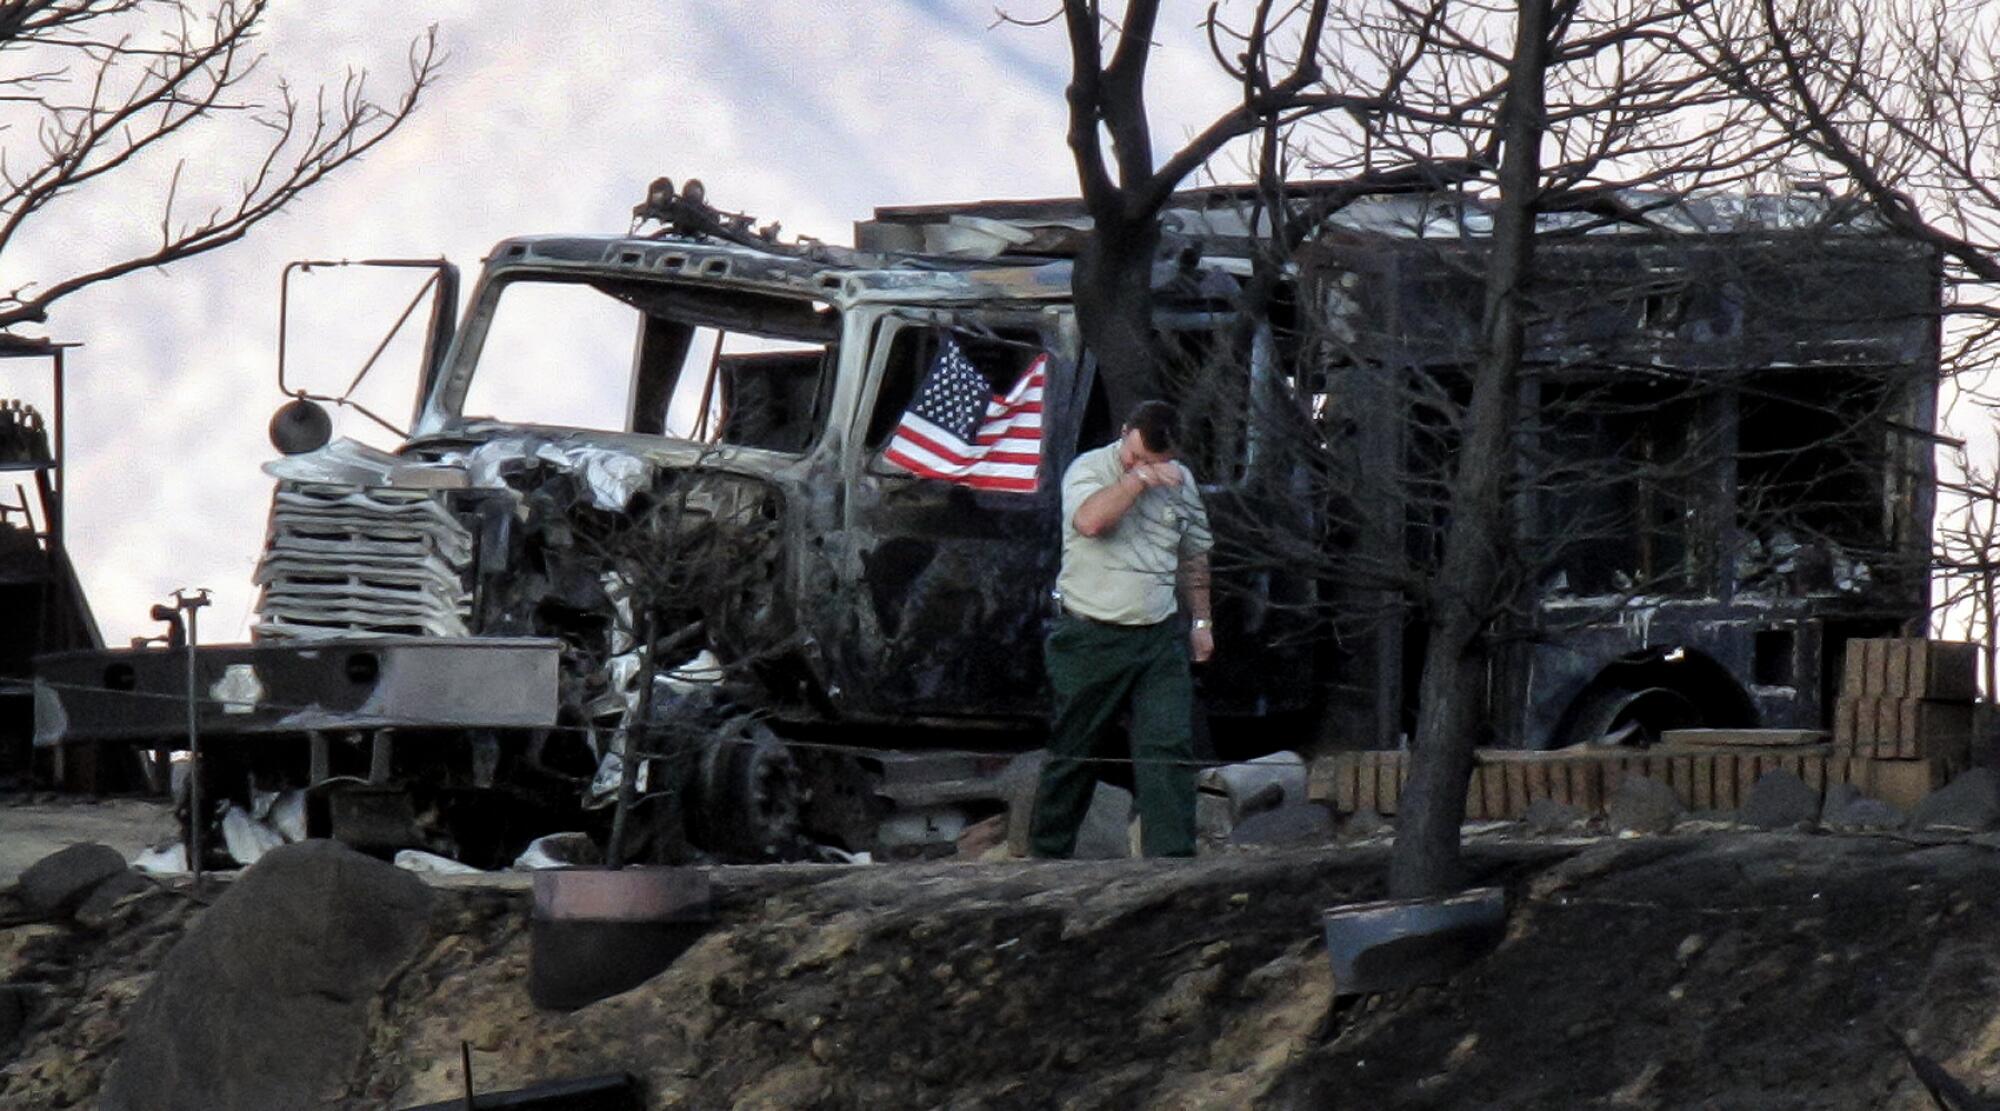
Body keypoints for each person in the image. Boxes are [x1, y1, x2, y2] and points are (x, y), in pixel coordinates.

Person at [1029, 399, 1213, 858]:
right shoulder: (1090, 469)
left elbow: (1194, 555)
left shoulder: (1181, 483)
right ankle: (1046, 856)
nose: (1140, 464)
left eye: (1155, 461)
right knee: (1075, 752)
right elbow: (1090, 522)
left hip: (1157, 635)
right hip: (1092, 635)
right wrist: (1138, 479)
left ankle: (1170, 861)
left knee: (1167, 747)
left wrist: (1202, 621)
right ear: (1125, 432)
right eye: (1135, 455)